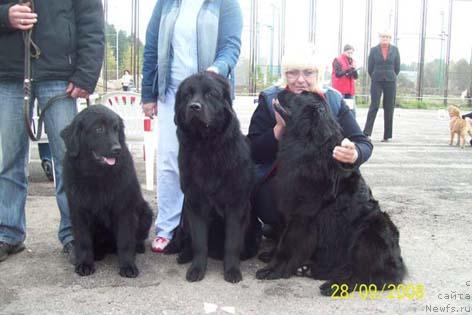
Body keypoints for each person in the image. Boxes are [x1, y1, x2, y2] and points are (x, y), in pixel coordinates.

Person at [0, 0, 104, 263]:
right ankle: (8, 233)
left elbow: (91, 20)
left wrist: (86, 74)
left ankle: (74, 233)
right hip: (10, 72)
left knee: (69, 160)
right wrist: (5, 15)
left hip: (60, 75)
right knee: (10, 159)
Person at [141, 0, 243, 253]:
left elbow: (231, 46)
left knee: (212, 163)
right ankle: (168, 228)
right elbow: (152, 48)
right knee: (168, 161)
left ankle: (202, 228)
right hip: (176, 93)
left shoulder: (226, 4)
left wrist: (215, 71)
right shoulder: (165, 4)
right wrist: (148, 94)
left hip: (209, 91)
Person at [247, 44, 373, 239]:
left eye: (308, 73)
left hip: (322, 181)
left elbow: (363, 142)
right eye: (293, 73)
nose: (300, 80)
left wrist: (355, 152)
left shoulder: (333, 100)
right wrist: (278, 129)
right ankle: (283, 230)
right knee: (269, 204)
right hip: (281, 178)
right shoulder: (271, 100)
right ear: (284, 75)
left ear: (318, 74)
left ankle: (317, 238)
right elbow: (253, 151)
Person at [363, 30, 400, 142]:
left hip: (390, 80)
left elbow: (397, 67)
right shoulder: (374, 50)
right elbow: (370, 67)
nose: (385, 39)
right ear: (379, 38)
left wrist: (391, 75)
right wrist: (375, 75)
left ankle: (387, 135)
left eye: (387, 37)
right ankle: (366, 133)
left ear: (390, 39)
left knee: (389, 107)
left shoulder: (395, 50)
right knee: (374, 105)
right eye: (383, 36)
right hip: (377, 80)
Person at [331, 44, 358, 117]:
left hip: (350, 90)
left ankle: (351, 127)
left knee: (351, 111)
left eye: (351, 53)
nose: (350, 54)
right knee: (339, 110)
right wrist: (347, 70)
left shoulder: (353, 61)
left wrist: (354, 70)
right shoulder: (337, 60)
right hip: (340, 89)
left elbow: (355, 77)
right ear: (344, 52)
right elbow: (337, 74)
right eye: (348, 52)